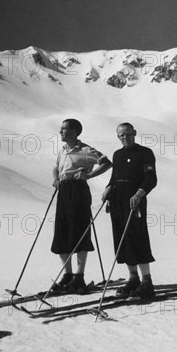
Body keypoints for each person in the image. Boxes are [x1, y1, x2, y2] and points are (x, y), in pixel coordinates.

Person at [51, 118, 112, 293]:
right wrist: (55, 178)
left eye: (64, 129)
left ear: (75, 132)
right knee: (62, 230)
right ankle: (68, 275)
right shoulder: (63, 150)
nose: (61, 132)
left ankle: (79, 276)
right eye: (61, 128)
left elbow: (106, 163)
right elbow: (56, 167)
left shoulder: (85, 150)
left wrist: (89, 175)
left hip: (78, 191)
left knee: (79, 230)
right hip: (63, 190)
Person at [102, 122, 157, 298]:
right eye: (121, 135)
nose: (125, 138)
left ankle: (146, 281)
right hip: (117, 199)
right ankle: (133, 278)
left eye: (128, 134)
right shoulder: (117, 154)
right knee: (122, 237)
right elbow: (114, 176)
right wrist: (108, 187)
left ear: (134, 133)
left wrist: (139, 194)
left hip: (135, 200)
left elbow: (151, 179)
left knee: (137, 237)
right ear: (118, 137)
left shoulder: (145, 153)